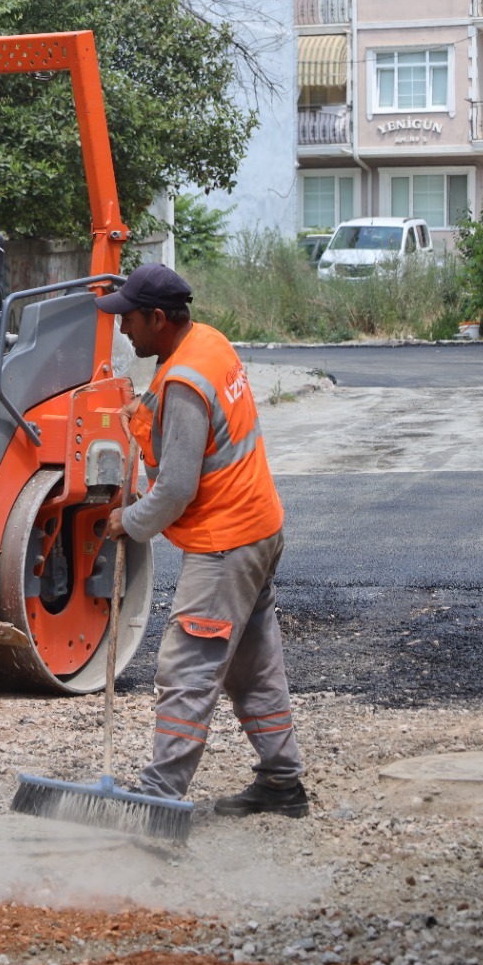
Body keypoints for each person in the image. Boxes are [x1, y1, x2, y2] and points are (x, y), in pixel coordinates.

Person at [98, 262, 308, 818]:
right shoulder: (207, 344)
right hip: (260, 528)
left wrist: (130, 521)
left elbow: (176, 488)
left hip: (225, 544)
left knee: (187, 669)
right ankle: (282, 785)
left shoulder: (185, 382)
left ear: (158, 319)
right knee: (252, 667)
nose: (123, 331)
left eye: (130, 321)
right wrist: (144, 412)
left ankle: (158, 799)